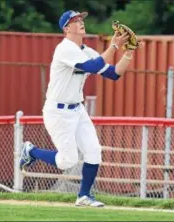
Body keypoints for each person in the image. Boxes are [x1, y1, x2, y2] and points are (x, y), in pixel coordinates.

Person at [19, 10, 134, 207]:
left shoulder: (86, 50)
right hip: (58, 111)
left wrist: (128, 53)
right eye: (75, 20)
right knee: (67, 161)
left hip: (77, 110)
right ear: (66, 28)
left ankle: (83, 196)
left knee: (94, 151)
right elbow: (91, 66)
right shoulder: (64, 49)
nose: (81, 22)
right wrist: (114, 45)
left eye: (81, 19)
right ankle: (32, 151)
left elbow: (114, 74)